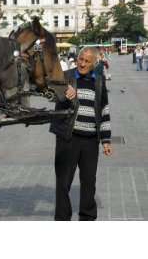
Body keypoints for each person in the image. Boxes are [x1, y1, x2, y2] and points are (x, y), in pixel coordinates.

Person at [50, 47, 112, 221]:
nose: (82, 63)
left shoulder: (99, 80)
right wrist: (63, 91)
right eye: (80, 59)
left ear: (94, 63)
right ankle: (62, 219)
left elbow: (104, 110)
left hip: (91, 140)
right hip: (68, 137)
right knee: (63, 182)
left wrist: (106, 140)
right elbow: (49, 89)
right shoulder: (66, 76)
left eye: (87, 61)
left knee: (89, 182)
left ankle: (87, 218)